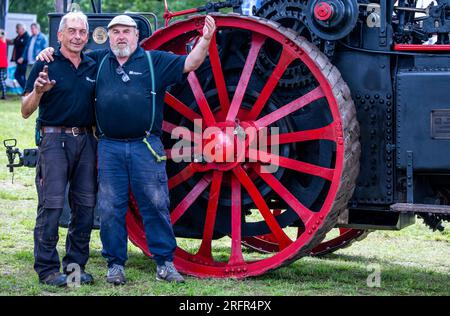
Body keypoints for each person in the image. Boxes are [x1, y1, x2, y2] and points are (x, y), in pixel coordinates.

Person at [39, 14, 216, 284]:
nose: (121, 36)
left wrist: (205, 39)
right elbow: (68, 57)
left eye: (126, 31)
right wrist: (48, 51)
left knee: (155, 205)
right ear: (109, 37)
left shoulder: (153, 60)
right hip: (108, 146)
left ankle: (164, 263)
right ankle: (115, 265)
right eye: (116, 32)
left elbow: (192, 62)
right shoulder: (96, 61)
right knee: (110, 208)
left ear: (136, 35)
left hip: (146, 144)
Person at [21, 11, 97, 287]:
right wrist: (39, 91)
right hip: (54, 141)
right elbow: (25, 111)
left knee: (86, 207)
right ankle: (48, 270)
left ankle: (75, 269)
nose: (77, 36)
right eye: (72, 31)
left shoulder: (93, 64)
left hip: (88, 141)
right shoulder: (46, 64)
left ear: (87, 36)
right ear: (60, 34)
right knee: (52, 206)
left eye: (82, 32)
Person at [9, 23, 29, 89]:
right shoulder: (18, 37)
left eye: (17, 29)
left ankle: (27, 90)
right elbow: (13, 41)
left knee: (23, 76)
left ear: (22, 29)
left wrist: (23, 57)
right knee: (17, 75)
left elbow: (26, 49)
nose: (16, 30)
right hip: (19, 61)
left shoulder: (27, 37)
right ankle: (26, 90)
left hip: (24, 61)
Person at [0, 29, 7, 100]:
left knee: (1, 79)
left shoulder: (1, 41)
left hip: (1, 64)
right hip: (3, 63)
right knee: (2, 79)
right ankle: (4, 94)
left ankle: (4, 94)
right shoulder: (4, 41)